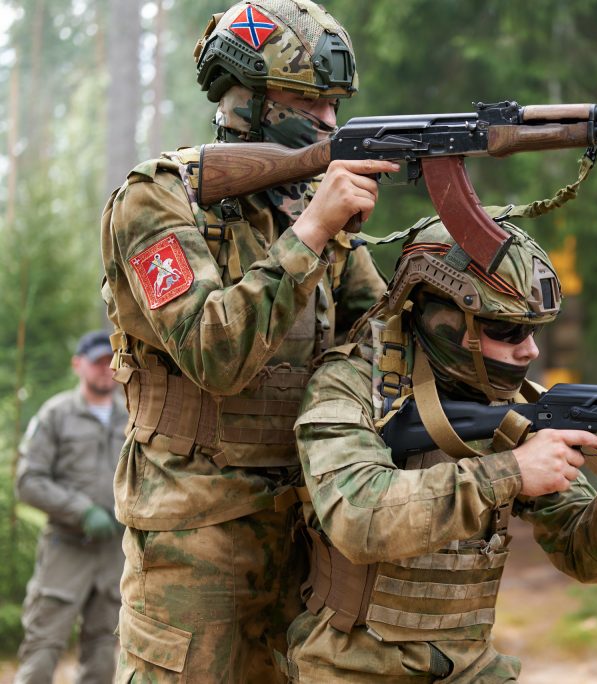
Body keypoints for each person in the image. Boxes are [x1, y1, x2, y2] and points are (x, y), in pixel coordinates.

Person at [99, 1, 399, 680]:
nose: (330, 122)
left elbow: (382, 337)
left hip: (303, 535)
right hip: (193, 550)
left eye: (335, 105)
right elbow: (215, 354)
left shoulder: (310, 210)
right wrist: (313, 233)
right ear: (250, 99)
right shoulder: (159, 201)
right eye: (309, 100)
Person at [284, 217, 597, 681]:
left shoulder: (507, 404)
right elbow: (358, 516)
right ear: (444, 318)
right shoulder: (347, 385)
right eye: (506, 332)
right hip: (350, 665)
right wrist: (509, 472)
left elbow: (583, 554)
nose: (530, 352)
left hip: (470, 668)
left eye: (532, 332)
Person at [14, 331, 128, 684]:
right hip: (66, 550)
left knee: (102, 656)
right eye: (96, 362)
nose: (105, 369)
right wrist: (81, 510)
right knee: (42, 648)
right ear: (77, 364)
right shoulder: (56, 415)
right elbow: (28, 481)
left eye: (110, 362)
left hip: (115, 553)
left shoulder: (133, 417)